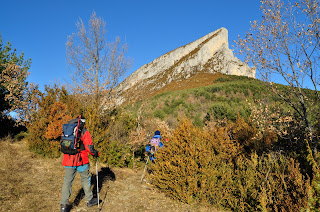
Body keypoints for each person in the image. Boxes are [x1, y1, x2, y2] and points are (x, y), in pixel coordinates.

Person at [60, 116, 100, 212]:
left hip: (68, 160)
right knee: (85, 179)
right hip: (81, 160)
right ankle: (90, 200)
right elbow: (89, 147)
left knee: (67, 182)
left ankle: (64, 206)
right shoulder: (83, 131)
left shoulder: (67, 129)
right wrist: (96, 153)